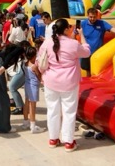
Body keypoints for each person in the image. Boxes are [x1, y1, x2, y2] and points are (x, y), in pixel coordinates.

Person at [38, 18, 90, 152]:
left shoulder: (47, 42)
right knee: (69, 112)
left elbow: (40, 60)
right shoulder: (73, 44)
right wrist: (82, 37)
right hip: (69, 82)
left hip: (51, 81)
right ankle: (68, 141)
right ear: (66, 29)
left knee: (52, 110)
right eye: (70, 27)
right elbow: (86, 52)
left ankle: (53, 138)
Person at [0, 41, 27, 133]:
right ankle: (4, 127)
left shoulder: (3, 51)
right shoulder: (20, 48)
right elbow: (10, 56)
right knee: (3, 99)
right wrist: (3, 68)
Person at [80, 7, 115, 74]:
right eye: (91, 17)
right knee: (87, 70)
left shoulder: (102, 23)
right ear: (87, 15)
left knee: (98, 71)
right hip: (87, 52)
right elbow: (75, 33)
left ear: (97, 16)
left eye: (94, 17)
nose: (92, 19)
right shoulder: (83, 24)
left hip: (98, 53)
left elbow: (112, 29)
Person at [23, 44, 45, 133]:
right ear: (33, 56)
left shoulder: (25, 64)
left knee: (26, 103)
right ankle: (33, 126)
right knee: (33, 106)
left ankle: (25, 122)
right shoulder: (34, 66)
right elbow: (39, 77)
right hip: (33, 86)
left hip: (27, 85)